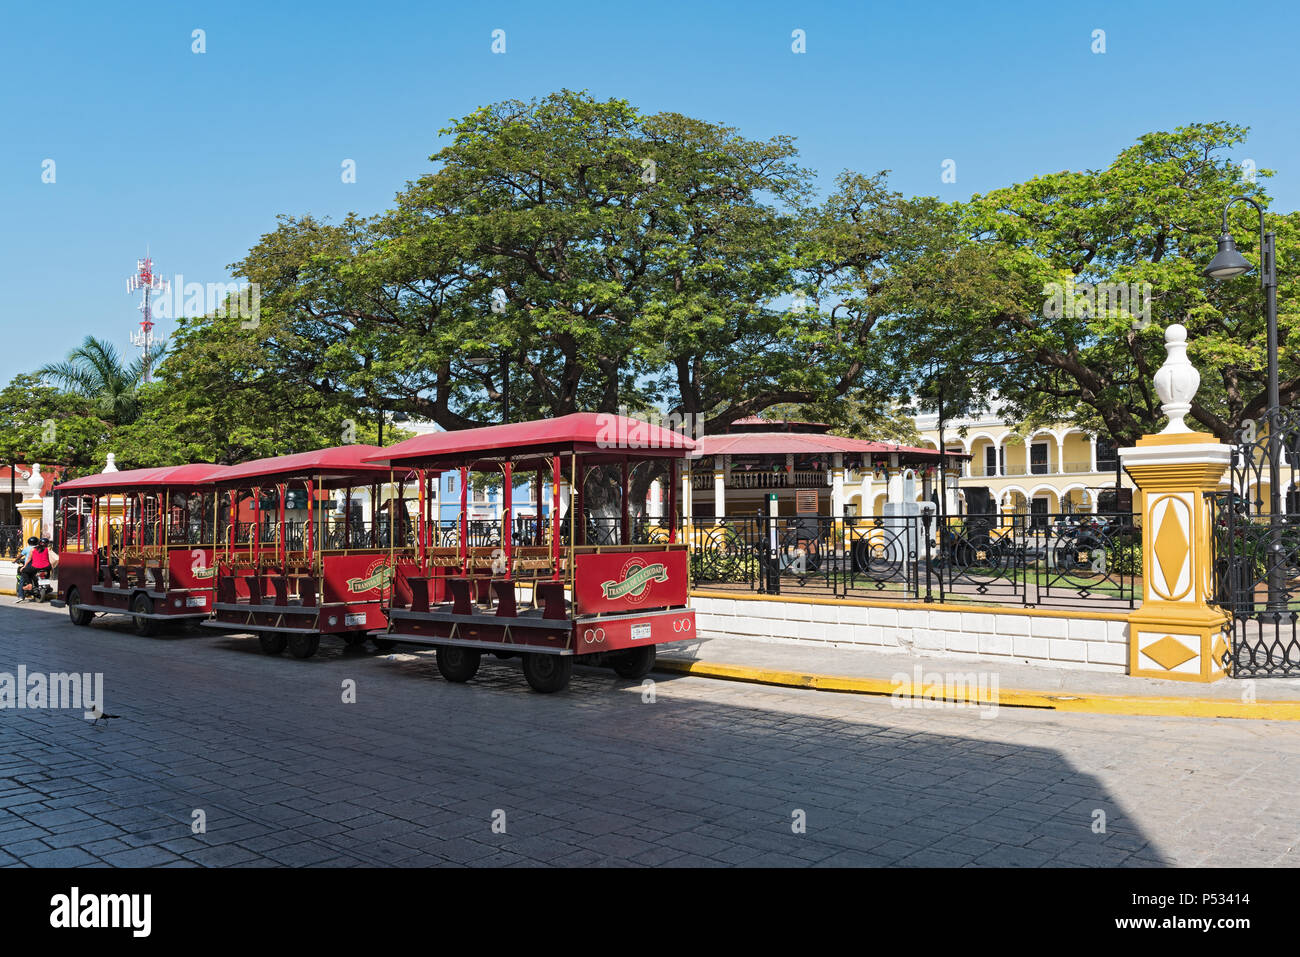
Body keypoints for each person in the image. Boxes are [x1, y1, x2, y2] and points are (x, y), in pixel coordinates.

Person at [15, 537, 37, 602]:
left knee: (22, 579)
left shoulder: (27, 549)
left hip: (29, 566)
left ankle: (21, 596)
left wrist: (15, 560)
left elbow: (21, 556)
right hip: (40, 566)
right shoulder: (40, 548)